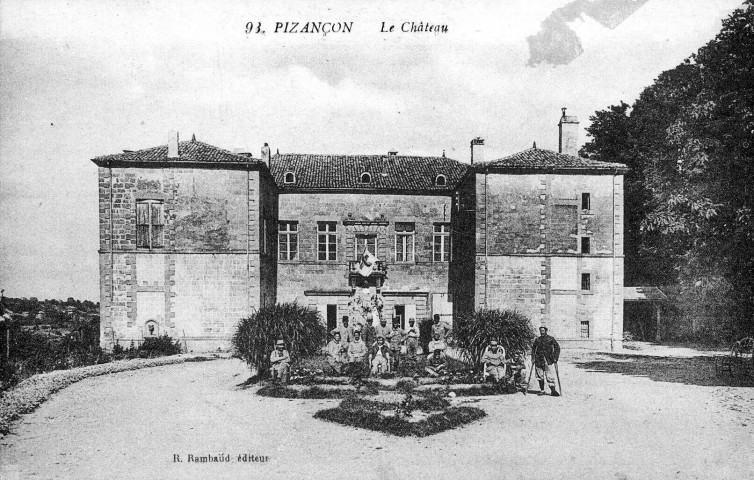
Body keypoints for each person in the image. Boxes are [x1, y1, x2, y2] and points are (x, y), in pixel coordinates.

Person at [531, 326, 561, 396]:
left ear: (546, 331)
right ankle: (542, 390)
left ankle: (553, 390)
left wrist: (555, 357)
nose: (542, 332)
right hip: (538, 359)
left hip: (548, 359)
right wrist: (533, 358)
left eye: (543, 330)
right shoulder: (537, 340)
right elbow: (533, 349)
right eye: (540, 330)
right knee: (539, 375)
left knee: (549, 375)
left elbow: (557, 348)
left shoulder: (550, 339)